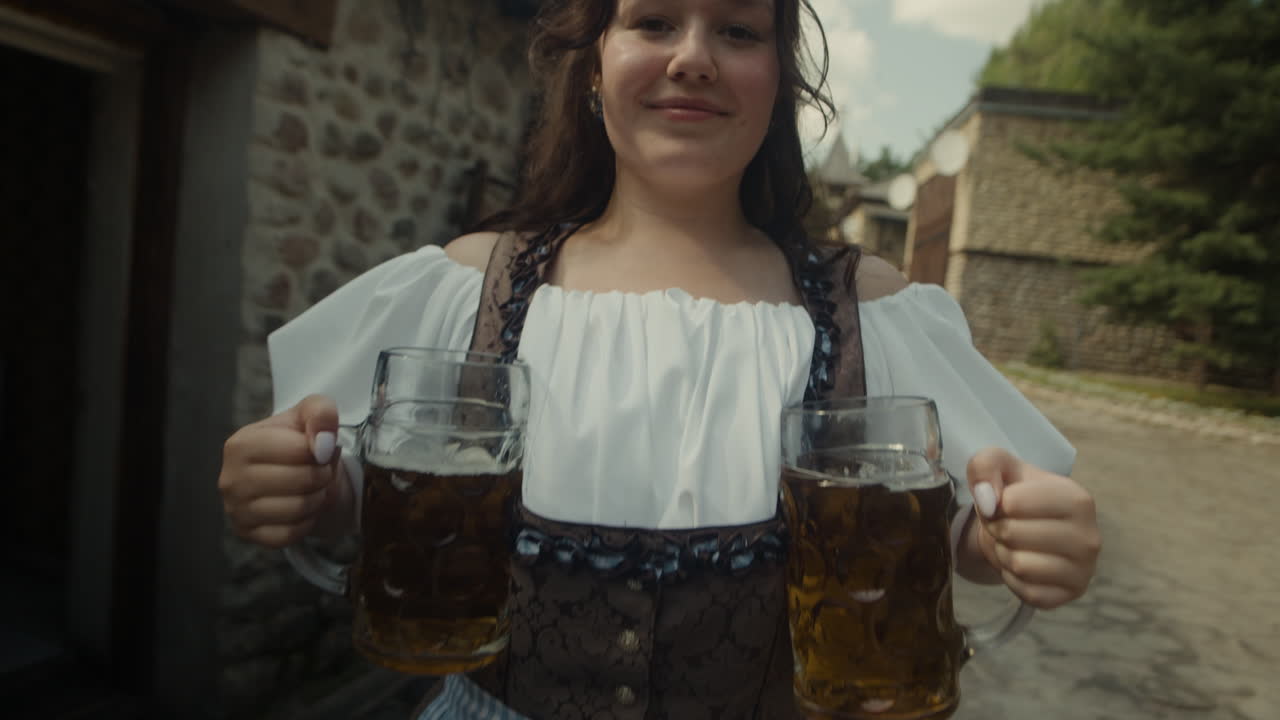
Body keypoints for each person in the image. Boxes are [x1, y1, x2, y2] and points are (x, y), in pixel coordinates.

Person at [218, 0, 1102, 717]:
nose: (693, 57)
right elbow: (359, 496)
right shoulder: (464, 289)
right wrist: (310, 487)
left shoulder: (871, 310)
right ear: (594, 64)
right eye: (653, 22)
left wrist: (1010, 539)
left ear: (778, 81)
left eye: (738, 31)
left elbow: (966, 530)